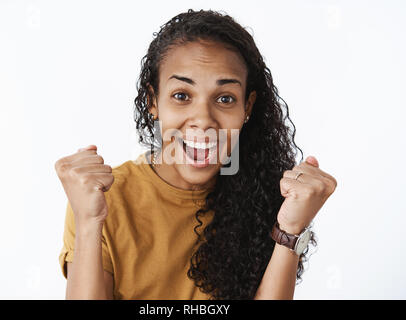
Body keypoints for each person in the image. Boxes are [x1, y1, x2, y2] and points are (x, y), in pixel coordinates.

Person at [55, 9, 337, 300]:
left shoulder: (267, 198)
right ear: (153, 101)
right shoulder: (102, 197)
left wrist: (289, 231)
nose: (203, 119)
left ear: (247, 108)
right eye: (181, 96)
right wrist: (88, 221)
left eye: (225, 99)